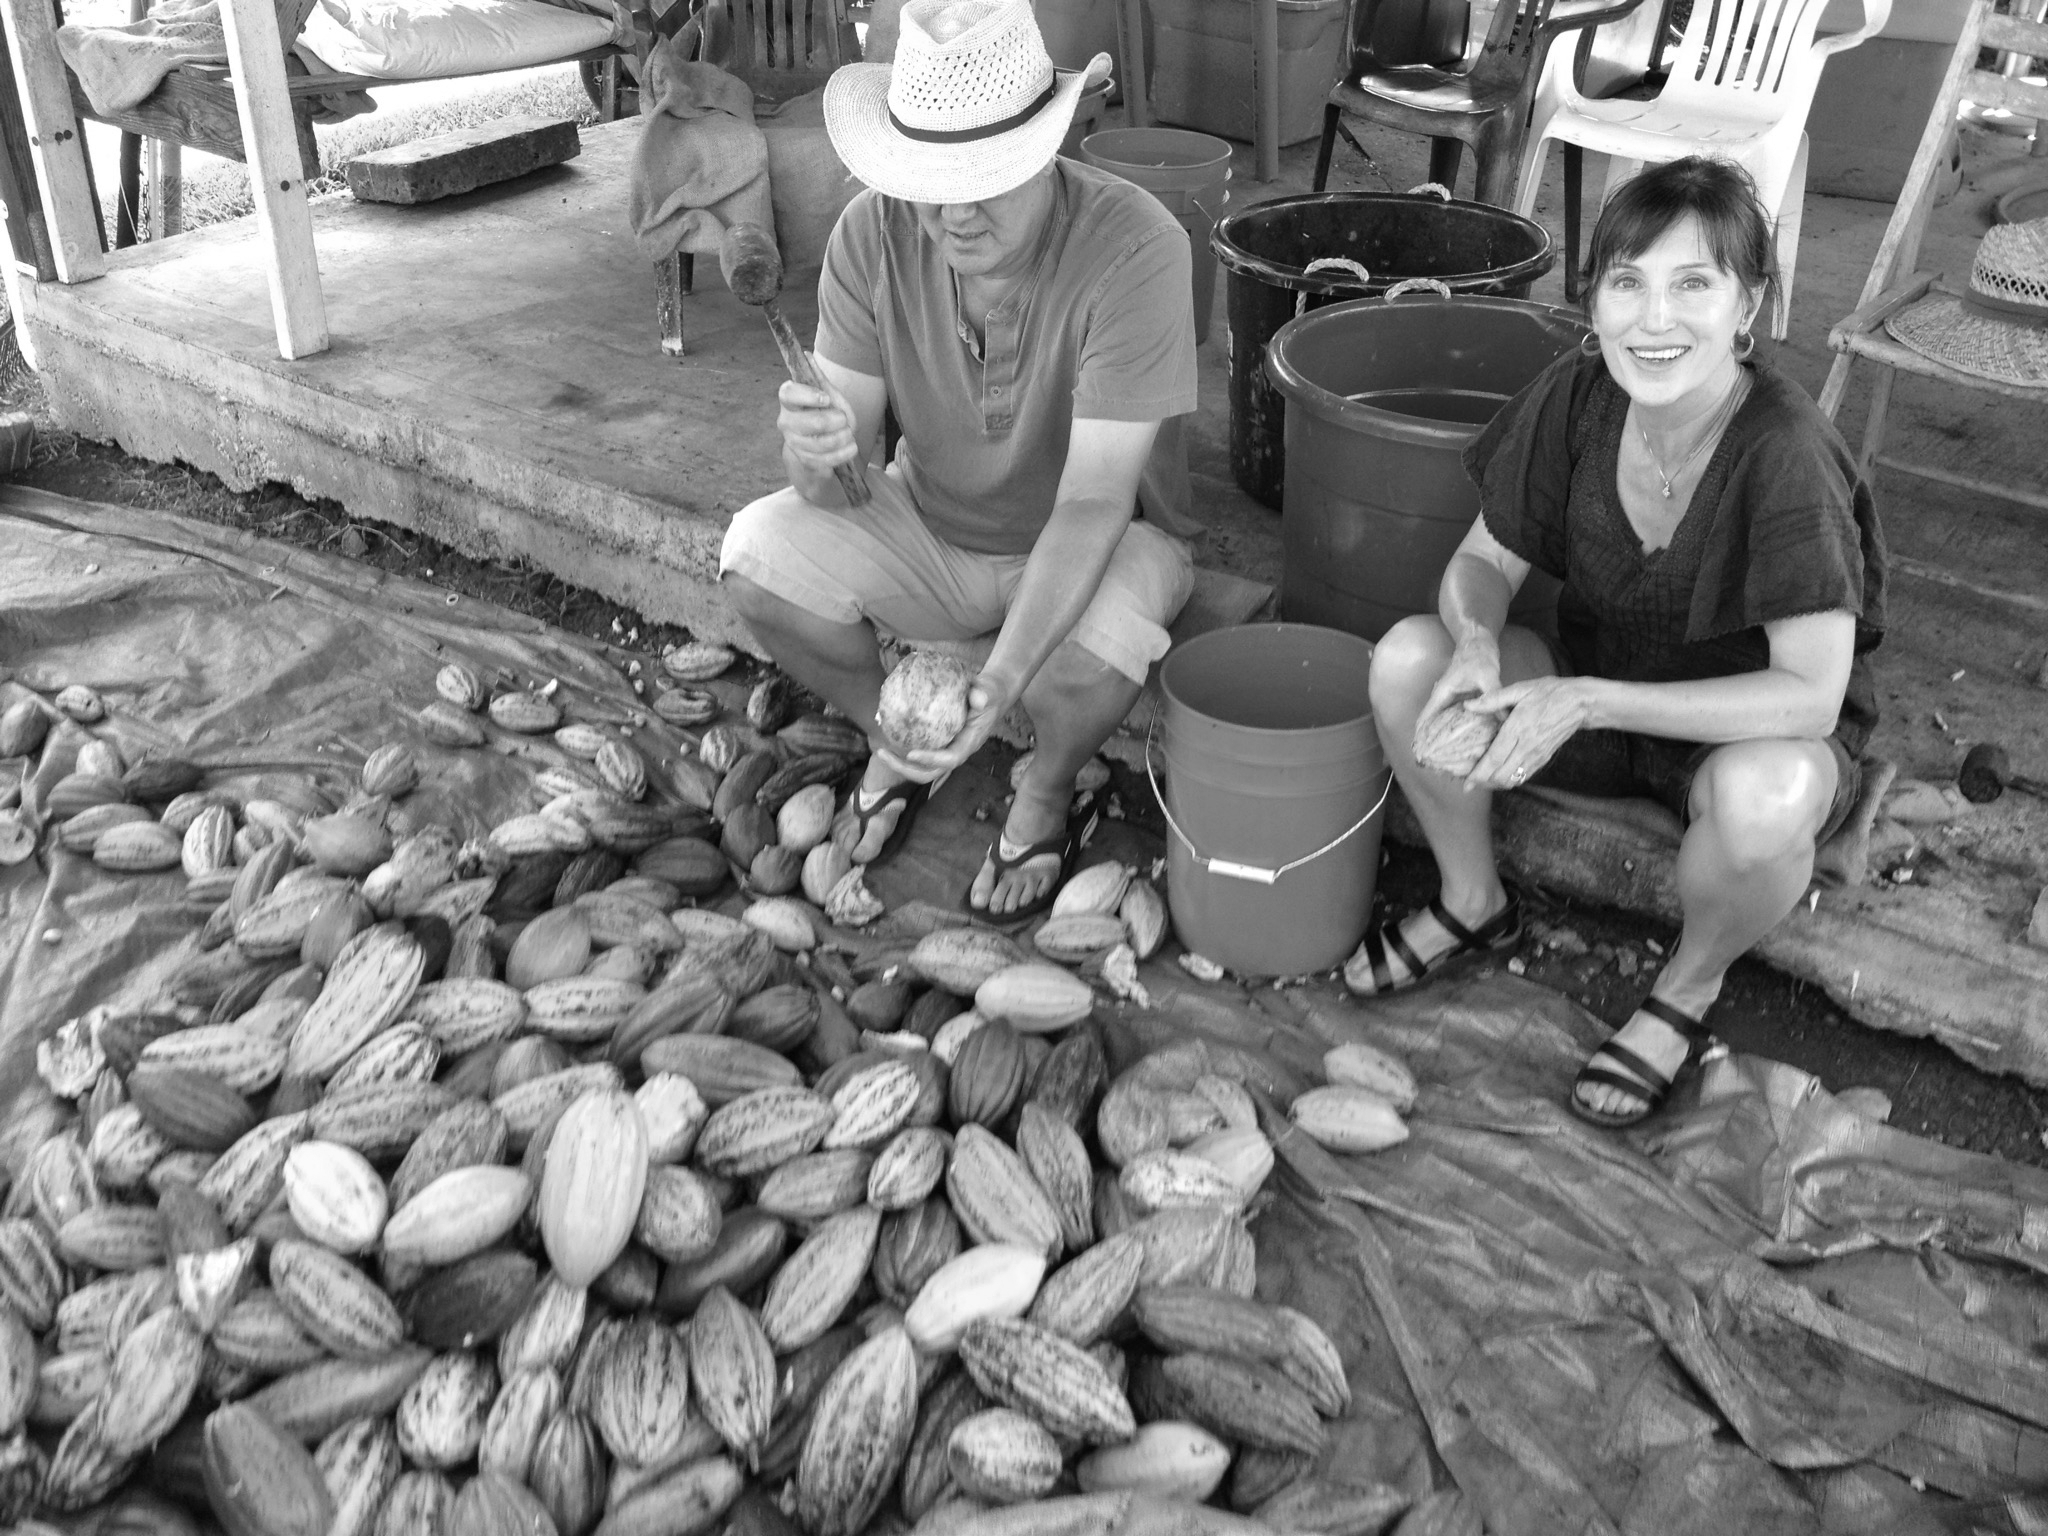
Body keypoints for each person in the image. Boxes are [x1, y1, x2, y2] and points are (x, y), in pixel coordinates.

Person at [1348, 157, 1887, 1129]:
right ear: (1591, 297)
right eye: (1626, 281)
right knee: (1406, 663)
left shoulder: (1783, 453)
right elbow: (1480, 564)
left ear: (1747, 304)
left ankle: (1683, 988)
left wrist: (1588, 701)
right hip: (1588, 706)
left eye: (1693, 284)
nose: (1653, 319)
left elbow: (1807, 696)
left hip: (1734, 739)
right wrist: (1474, 642)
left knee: (1765, 802)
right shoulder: (1577, 395)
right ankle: (1471, 899)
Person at [718, 0, 1198, 924]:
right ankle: (895, 738)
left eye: (990, 176)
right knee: (757, 553)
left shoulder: (1137, 247)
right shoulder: (871, 235)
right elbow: (845, 476)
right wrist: (813, 454)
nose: (956, 211)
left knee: (1090, 649)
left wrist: (1002, 681)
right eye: (933, 177)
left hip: (1107, 536)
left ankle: (1050, 784)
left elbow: (1097, 502)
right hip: (932, 527)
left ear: (1049, 151)